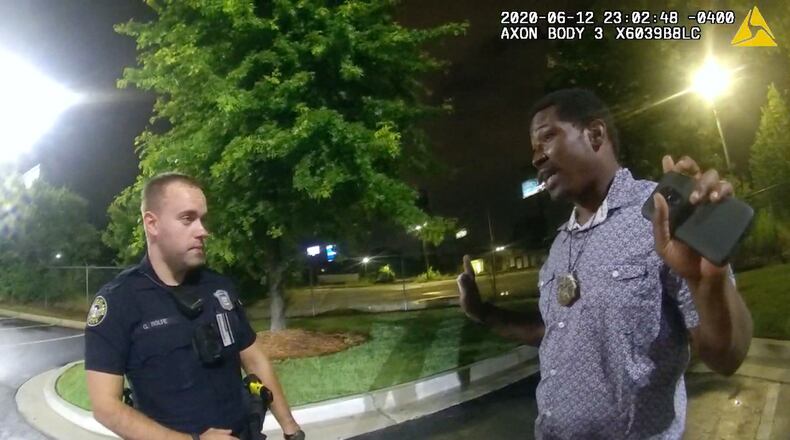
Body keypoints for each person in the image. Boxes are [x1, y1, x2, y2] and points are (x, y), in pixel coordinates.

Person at [457, 89, 753, 439]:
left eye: (547, 137)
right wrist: (484, 313)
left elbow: (726, 356)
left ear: (595, 135)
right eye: (533, 148)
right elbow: (556, 332)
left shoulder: (663, 217)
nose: (537, 158)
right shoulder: (559, 246)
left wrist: (709, 285)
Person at [85, 173, 305, 440]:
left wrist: (291, 428)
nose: (202, 231)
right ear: (152, 224)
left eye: (202, 219)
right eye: (188, 219)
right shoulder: (118, 302)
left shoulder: (219, 287)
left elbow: (253, 357)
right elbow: (106, 407)